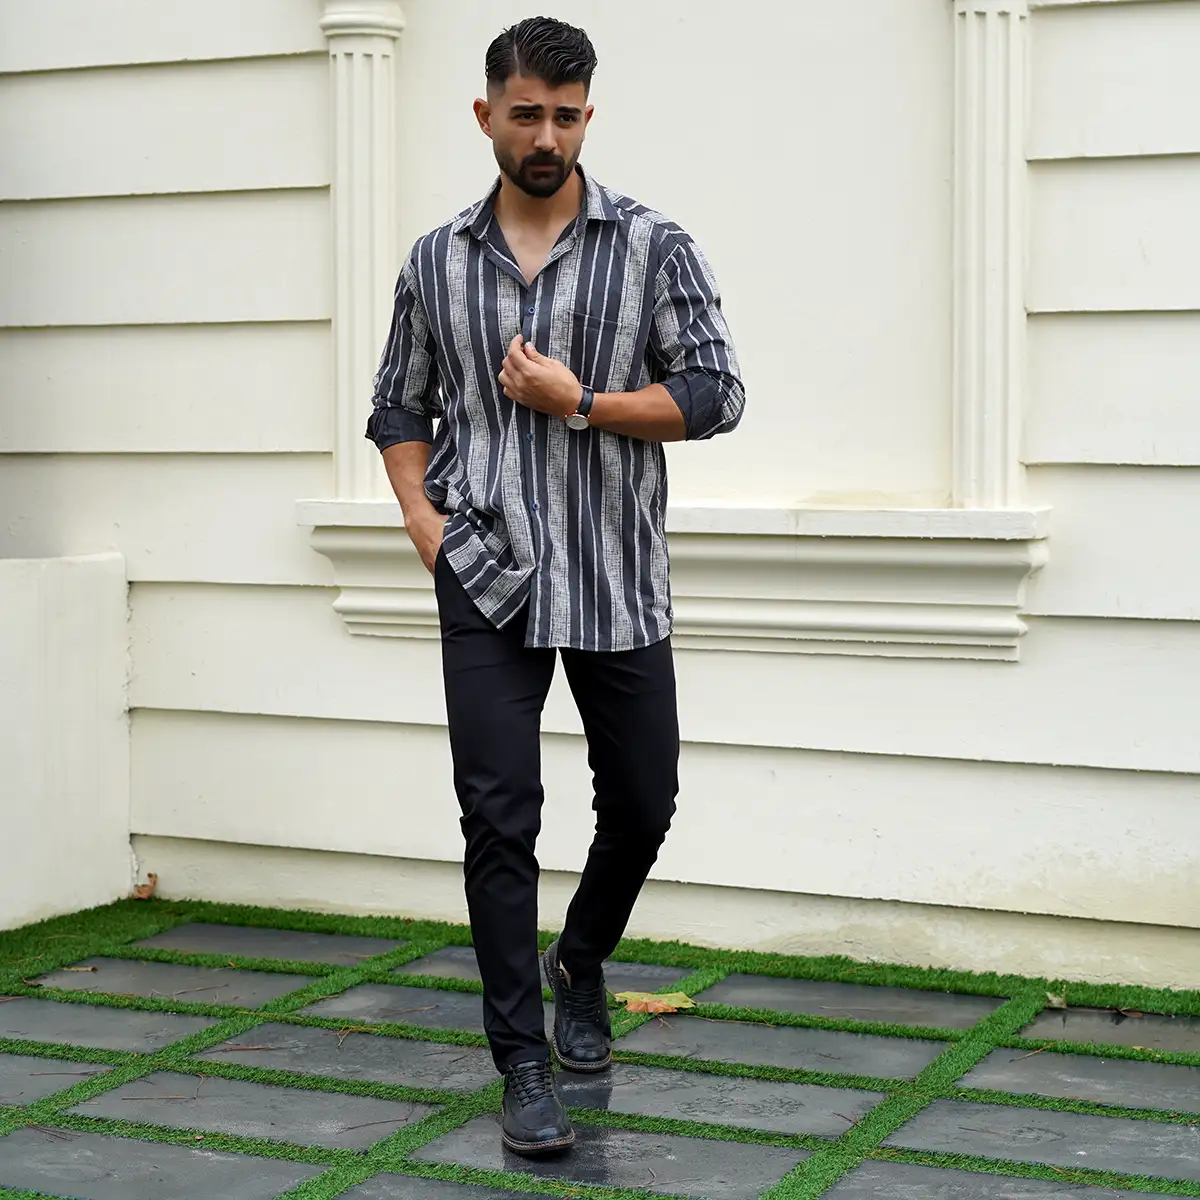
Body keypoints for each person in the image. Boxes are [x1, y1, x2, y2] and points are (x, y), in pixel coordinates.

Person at [366, 15, 744, 1157]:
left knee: (644, 799)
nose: (546, 137)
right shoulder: (435, 261)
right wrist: (425, 522)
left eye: (566, 116)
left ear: (589, 115)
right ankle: (522, 1064)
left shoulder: (653, 245)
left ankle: (580, 959)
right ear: (487, 113)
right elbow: (398, 405)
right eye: (526, 114)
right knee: (498, 818)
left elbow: (714, 394)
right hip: (485, 571)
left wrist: (579, 401)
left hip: (614, 569)